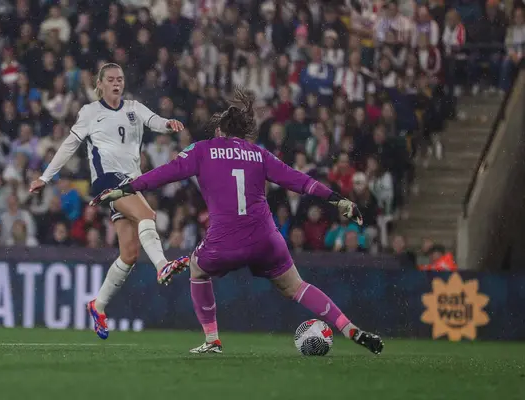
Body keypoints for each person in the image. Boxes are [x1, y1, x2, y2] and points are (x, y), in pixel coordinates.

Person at [92, 90, 384, 355]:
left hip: (225, 240)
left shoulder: (203, 149)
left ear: (219, 130)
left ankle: (212, 340)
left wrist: (124, 189)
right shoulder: (259, 154)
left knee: (197, 269)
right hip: (267, 238)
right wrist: (337, 199)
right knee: (296, 286)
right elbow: (300, 181)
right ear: (245, 133)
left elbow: (162, 175)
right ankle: (349, 327)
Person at [29, 63, 188, 340]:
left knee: (129, 255)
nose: (117, 83)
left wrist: (169, 124)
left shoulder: (134, 108)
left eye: (120, 79)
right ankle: (162, 265)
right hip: (107, 182)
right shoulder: (90, 112)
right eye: (111, 79)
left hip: (132, 182)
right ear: (99, 84)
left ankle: (98, 304)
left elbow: (155, 121)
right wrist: (46, 177)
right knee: (148, 216)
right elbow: (69, 144)